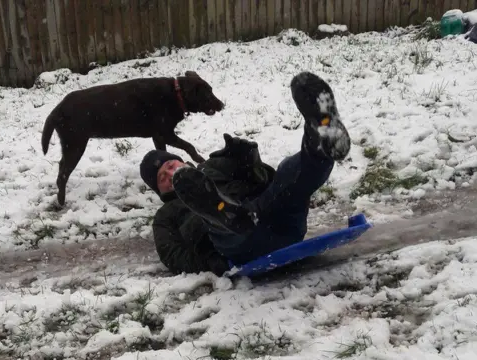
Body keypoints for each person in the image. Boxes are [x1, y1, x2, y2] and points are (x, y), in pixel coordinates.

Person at [139, 71, 351, 276]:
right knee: (221, 224)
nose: (169, 175)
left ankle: (320, 142)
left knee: (287, 172)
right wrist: (209, 263)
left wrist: (247, 158)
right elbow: (172, 254)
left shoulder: (213, 165)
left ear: (182, 161)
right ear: (160, 192)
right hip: (239, 246)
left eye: (169, 166)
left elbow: (264, 178)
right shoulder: (166, 216)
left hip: (276, 218)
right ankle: (221, 216)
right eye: (162, 179)